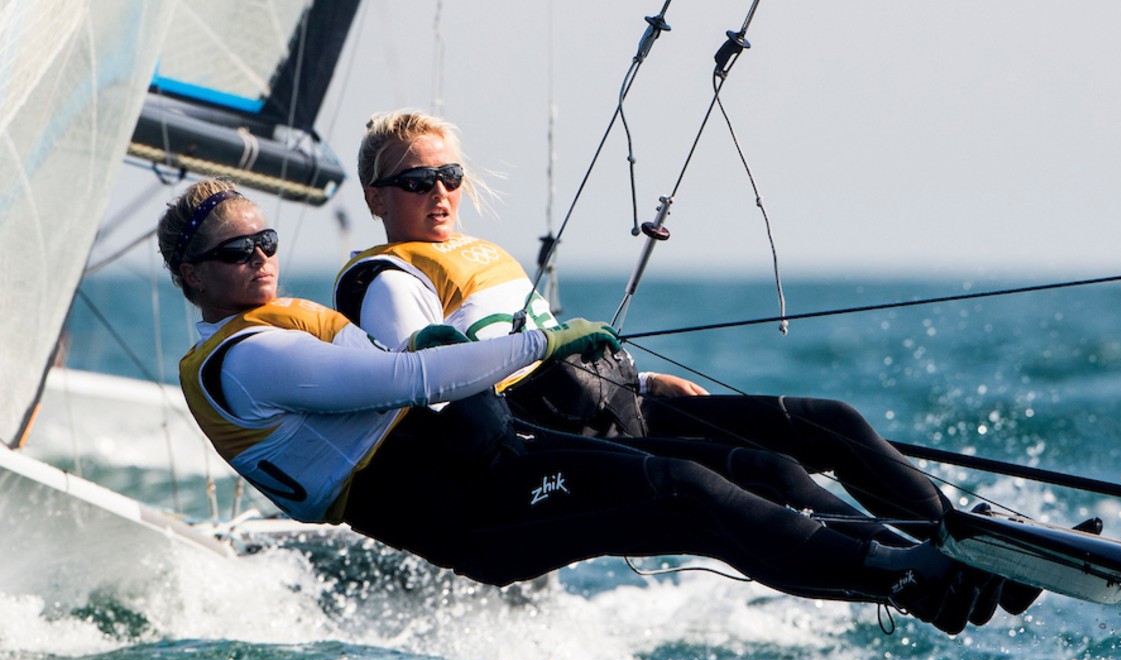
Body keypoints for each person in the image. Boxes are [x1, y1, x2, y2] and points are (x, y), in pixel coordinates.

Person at [163, 178, 1018, 636]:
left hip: (500, 466)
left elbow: (412, 363)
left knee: (721, 485)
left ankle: (922, 574)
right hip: (470, 513)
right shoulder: (250, 357)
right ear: (191, 275)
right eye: (234, 252)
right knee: (687, 490)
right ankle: (912, 575)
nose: (259, 258)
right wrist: (547, 343)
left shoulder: (276, 322)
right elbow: (414, 383)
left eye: (266, 240)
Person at [331, 110, 1040, 624]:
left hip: (618, 404)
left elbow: (535, 336)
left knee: (826, 424)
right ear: (375, 197)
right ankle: (909, 570)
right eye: (416, 180)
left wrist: (640, 383)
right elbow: (428, 381)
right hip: (553, 435)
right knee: (757, 478)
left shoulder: (478, 253)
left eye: (449, 175)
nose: (439, 192)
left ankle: (954, 540)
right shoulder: (385, 277)